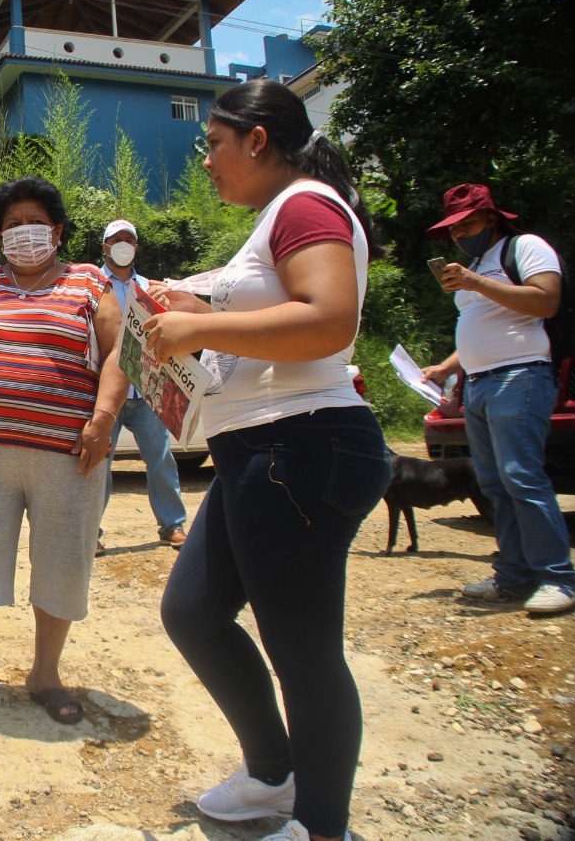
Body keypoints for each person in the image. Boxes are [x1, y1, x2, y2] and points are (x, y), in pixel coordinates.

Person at [144, 80, 391, 841]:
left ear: (256, 139)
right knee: (191, 610)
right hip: (256, 449)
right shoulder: (273, 218)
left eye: (213, 143)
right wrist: (188, 314)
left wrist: (200, 327)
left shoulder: (304, 204)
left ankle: (321, 826)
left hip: (302, 443)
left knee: (303, 650)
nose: (207, 161)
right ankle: (273, 775)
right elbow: (262, 315)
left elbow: (326, 318)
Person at [0, 176, 127, 733]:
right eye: (12, 225)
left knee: (62, 564)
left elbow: (117, 353)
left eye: (34, 222)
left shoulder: (90, 283)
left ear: (57, 231)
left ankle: (45, 675)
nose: (23, 233)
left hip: (69, 456)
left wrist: (102, 421)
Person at [419, 184, 575, 615]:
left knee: (521, 477)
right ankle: (513, 576)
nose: (459, 234)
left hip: (521, 376)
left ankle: (559, 578)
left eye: (467, 223)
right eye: (452, 229)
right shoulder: (476, 264)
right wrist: (449, 366)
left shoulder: (525, 247)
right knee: (494, 484)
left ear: (491, 218)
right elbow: (480, 322)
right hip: (481, 384)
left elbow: (545, 300)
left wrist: (473, 281)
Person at [95, 218, 188, 553]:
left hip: (148, 389)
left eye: (128, 239)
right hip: (107, 391)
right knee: (98, 464)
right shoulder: (92, 285)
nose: (122, 244)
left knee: (161, 458)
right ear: (104, 246)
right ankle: (91, 533)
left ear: (136, 246)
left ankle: (173, 527)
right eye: (115, 239)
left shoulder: (151, 287)